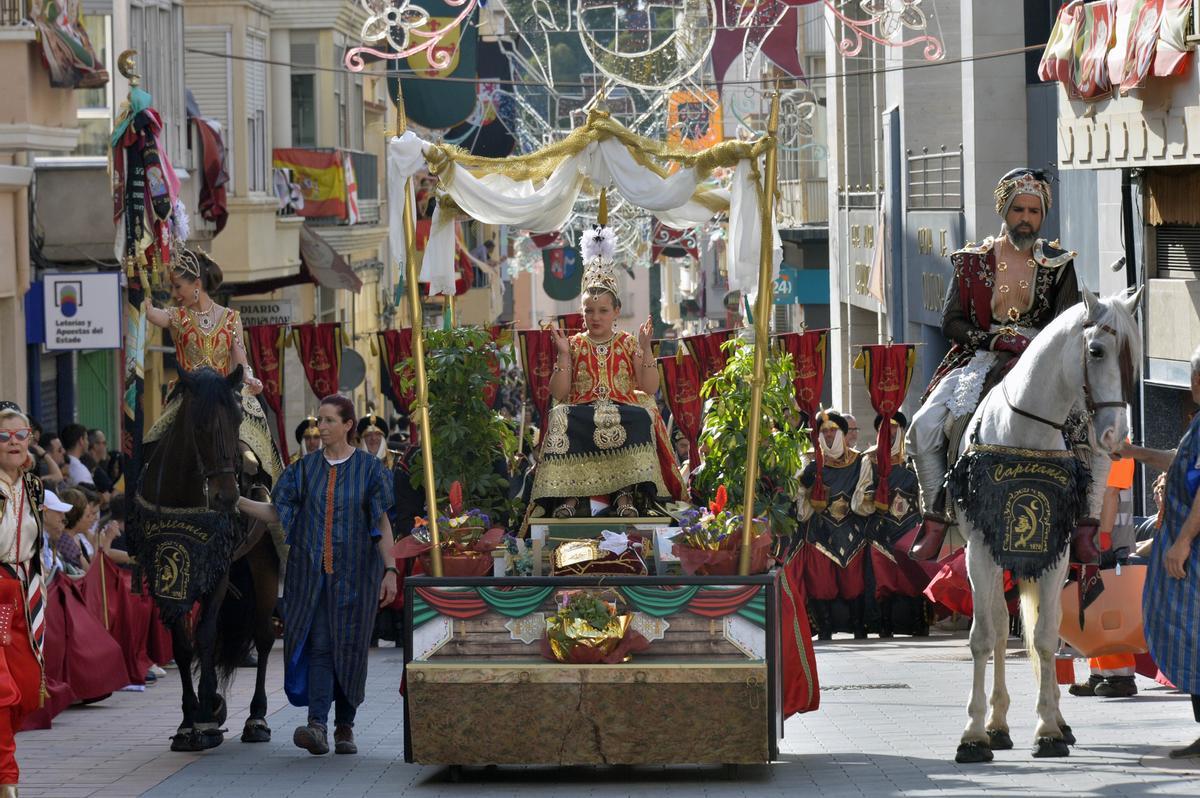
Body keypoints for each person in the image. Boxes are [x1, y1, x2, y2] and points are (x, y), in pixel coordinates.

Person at [907, 168, 1081, 544]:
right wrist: (991, 340)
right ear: (1004, 210)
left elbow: (1069, 322)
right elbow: (950, 321)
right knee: (922, 427)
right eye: (1019, 209)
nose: (1026, 218)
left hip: (1042, 360)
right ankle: (936, 513)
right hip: (980, 357)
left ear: (1042, 215)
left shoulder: (1060, 263)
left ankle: (1087, 523)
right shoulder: (972, 261)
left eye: (1034, 212)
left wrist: (1036, 345)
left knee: (1092, 432)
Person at [237, 395, 397, 756]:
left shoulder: (371, 471)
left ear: (347, 425)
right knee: (321, 645)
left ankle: (345, 725)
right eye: (320, 421)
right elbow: (277, 513)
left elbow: (382, 524)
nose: (321, 427)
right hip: (311, 579)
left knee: (352, 650)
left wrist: (391, 569)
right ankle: (317, 726)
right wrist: (236, 501)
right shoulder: (303, 470)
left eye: (328, 421)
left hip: (358, 578)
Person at [530, 225, 684, 518]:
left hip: (622, 408)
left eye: (602, 311)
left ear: (616, 311)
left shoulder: (627, 343)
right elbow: (559, 393)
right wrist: (563, 354)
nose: (595, 317)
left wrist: (646, 348)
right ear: (582, 312)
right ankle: (570, 496)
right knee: (561, 414)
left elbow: (649, 389)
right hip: (583, 411)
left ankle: (626, 496)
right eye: (589, 311)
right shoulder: (573, 344)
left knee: (641, 415)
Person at [142, 247, 282, 482]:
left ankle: (258, 473)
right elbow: (155, 315)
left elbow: (240, 359)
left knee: (254, 411)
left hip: (222, 390)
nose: (175, 294)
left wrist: (249, 378)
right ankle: (148, 474)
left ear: (196, 283)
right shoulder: (177, 316)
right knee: (156, 434)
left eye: (178, 287)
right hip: (190, 391)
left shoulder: (230, 318)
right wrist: (143, 298)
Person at [1121, 346, 1200, 757]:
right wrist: (1134, 453)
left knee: (1195, 633)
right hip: (1187, 548)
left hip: (1194, 551)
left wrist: (1184, 541)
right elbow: (1179, 461)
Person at [0, 406, 49, 793]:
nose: (13, 442)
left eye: (20, 434)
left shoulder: (33, 485)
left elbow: (35, 545)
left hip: (25, 590)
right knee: (3, 691)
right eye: (4, 436)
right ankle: (7, 778)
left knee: (29, 687)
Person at [796, 410, 875, 639]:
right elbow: (802, 512)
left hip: (852, 532)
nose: (829, 435)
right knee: (821, 583)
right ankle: (825, 630)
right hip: (819, 533)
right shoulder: (810, 464)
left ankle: (859, 628)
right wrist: (807, 486)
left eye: (833, 430)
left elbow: (863, 503)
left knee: (854, 584)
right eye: (824, 431)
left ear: (842, 432)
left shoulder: (861, 462)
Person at [864, 414, 929, 638]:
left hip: (911, 527)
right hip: (881, 529)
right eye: (884, 427)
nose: (889, 432)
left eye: (894, 427)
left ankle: (919, 622)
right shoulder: (868, 460)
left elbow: (924, 492)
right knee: (884, 581)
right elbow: (860, 496)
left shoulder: (913, 457)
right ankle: (884, 624)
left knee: (912, 578)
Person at [60, 424, 91, 488]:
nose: (88, 443)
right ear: (81, 440)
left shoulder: (62, 464)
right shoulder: (80, 469)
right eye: (86, 439)